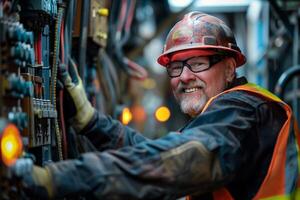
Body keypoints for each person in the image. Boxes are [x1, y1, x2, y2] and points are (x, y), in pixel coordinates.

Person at [12, 11, 300, 199]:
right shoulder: (228, 112)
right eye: (175, 68)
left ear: (228, 69)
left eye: (198, 63)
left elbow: (176, 162)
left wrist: (55, 178)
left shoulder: (244, 111)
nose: (185, 77)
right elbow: (161, 155)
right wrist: (92, 122)